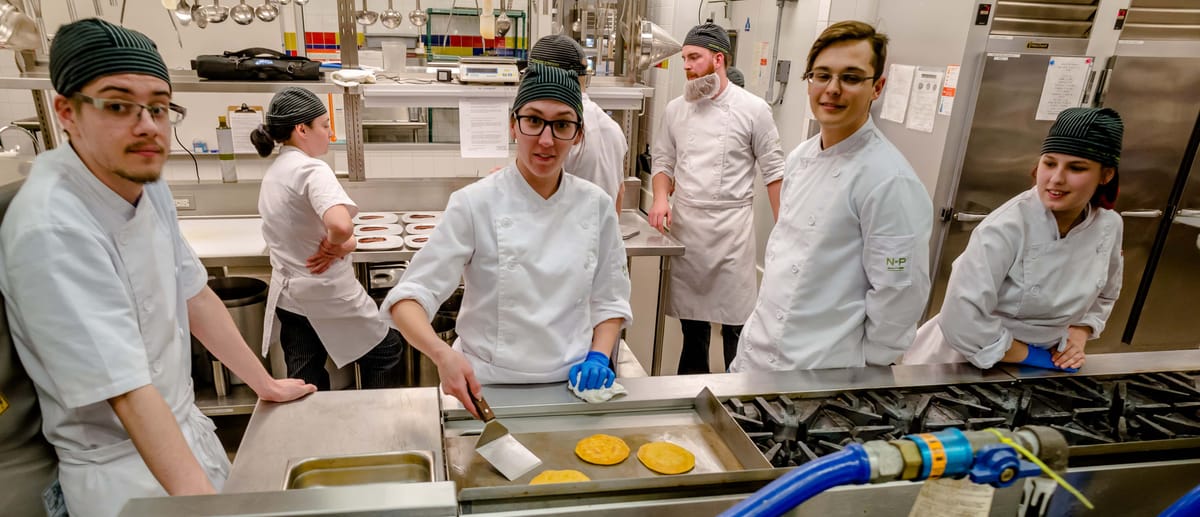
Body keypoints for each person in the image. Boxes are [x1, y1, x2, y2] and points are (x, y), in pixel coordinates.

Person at [0, 19, 314, 517]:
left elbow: (195, 294)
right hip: (122, 473)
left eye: (160, 106)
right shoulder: (51, 226)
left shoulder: (143, 180)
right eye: (118, 104)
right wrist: (205, 509)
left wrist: (265, 384)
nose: (147, 124)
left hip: (186, 437)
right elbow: (126, 392)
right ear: (67, 112)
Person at [383, 64, 632, 417]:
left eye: (562, 124)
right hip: (484, 389)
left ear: (577, 135)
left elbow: (610, 299)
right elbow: (408, 299)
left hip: (572, 388)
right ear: (513, 125)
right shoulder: (474, 203)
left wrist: (598, 354)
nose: (546, 140)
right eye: (534, 120)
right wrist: (443, 355)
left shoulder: (596, 205)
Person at [730, 21, 932, 372]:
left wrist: (862, 369)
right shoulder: (800, 158)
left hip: (825, 374)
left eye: (851, 78)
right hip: (756, 360)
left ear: (877, 87)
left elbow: (899, 295)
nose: (832, 89)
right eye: (822, 75)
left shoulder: (890, 181)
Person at [903, 107, 1124, 372]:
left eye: (1076, 168)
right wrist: (1031, 355)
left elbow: (1106, 294)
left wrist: (1080, 331)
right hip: (964, 361)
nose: (1056, 179)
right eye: (1050, 163)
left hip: (1042, 361)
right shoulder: (1006, 227)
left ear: (1106, 175)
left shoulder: (1109, 225)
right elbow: (961, 319)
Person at [648, 23, 785, 374]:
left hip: (731, 237)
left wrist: (786, 231)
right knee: (692, 331)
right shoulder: (676, 110)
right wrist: (661, 198)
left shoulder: (754, 110)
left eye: (694, 57)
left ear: (718, 59)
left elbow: (774, 172)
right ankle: (691, 402)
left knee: (737, 333)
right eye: (685, 59)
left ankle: (739, 406)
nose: (687, 66)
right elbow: (663, 161)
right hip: (688, 231)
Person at [253, 87, 404, 390]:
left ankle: (313, 431)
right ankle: (380, 424)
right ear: (301, 129)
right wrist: (340, 246)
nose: (330, 132)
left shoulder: (276, 170)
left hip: (290, 296)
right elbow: (341, 225)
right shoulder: (311, 168)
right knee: (386, 350)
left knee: (305, 374)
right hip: (325, 292)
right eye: (324, 124)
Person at [528, 34, 628, 214]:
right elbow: (620, 192)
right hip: (601, 236)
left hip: (562, 235)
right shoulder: (613, 128)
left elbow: (538, 196)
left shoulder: (556, 128)